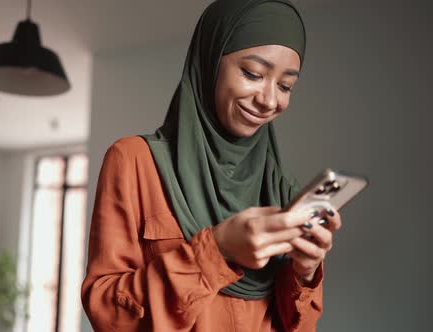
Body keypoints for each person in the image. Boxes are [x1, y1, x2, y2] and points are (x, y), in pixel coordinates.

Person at [81, 0, 342, 331]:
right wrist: (216, 249)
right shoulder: (135, 161)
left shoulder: (282, 189)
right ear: (210, 62)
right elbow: (108, 315)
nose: (269, 100)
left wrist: (305, 271)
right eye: (253, 73)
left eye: (285, 85)